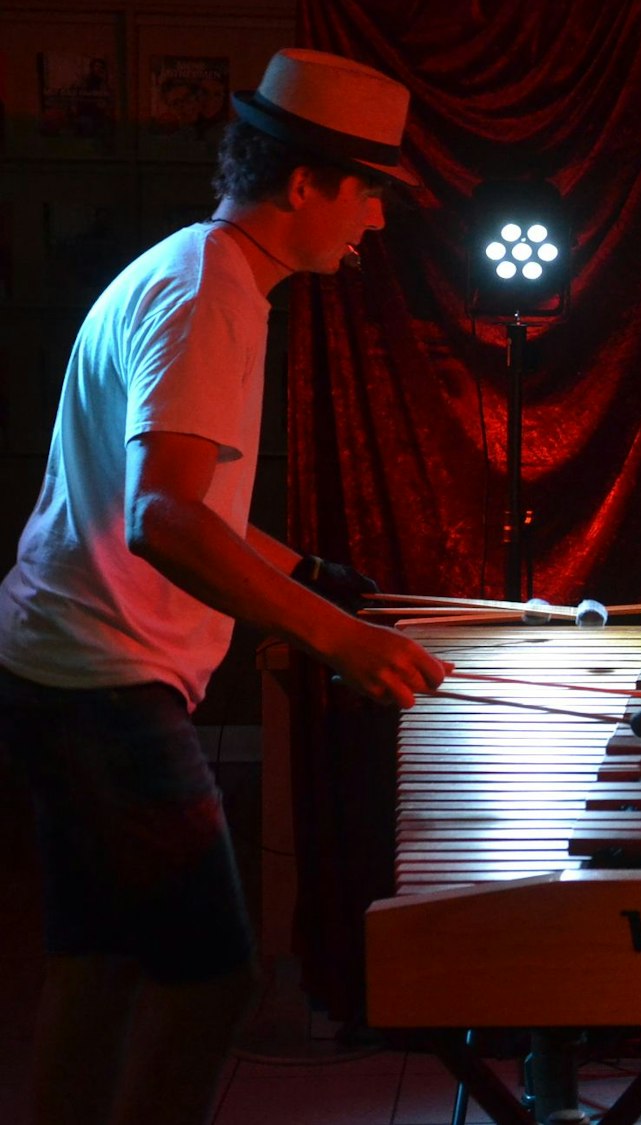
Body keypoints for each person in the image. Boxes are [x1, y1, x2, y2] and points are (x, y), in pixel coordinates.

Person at [0, 49, 448, 1125]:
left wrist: (329, 580)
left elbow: (186, 499)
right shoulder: (214, 291)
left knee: (100, 962)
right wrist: (335, 636)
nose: (376, 222)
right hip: (106, 683)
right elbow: (164, 520)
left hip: (60, 667)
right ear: (304, 183)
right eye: (370, 190)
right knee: (213, 981)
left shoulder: (193, 269)